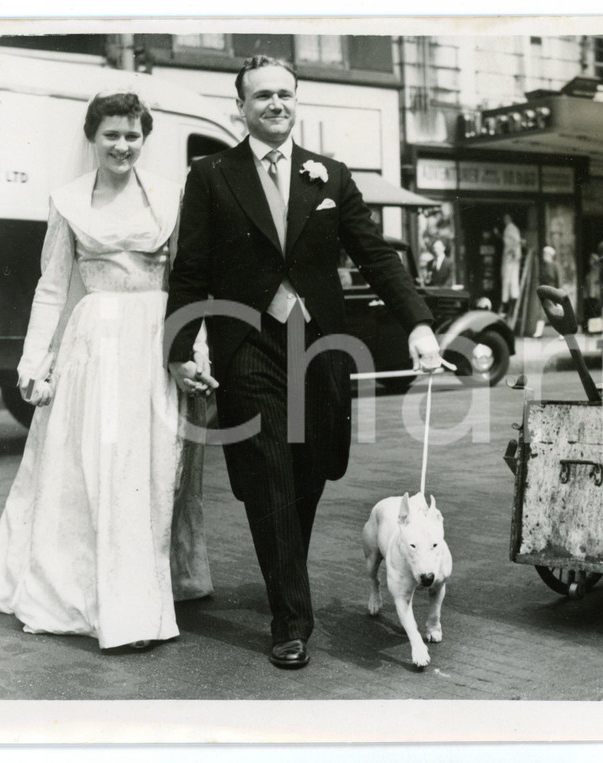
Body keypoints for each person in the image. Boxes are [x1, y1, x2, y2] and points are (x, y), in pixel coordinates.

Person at [164, 56, 443, 670]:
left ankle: (285, 574)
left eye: (285, 94)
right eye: (261, 95)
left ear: (297, 101)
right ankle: (291, 618)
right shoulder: (211, 175)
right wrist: (180, 349)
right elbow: (190, 269)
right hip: (248, 347)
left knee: (307, 473)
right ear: (240, 106)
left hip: (318, 352)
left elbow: (376, 257)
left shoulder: (331, 178)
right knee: (268, 476)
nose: (275, 104)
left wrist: (419, 323)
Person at [0, 91, 213, 650]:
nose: (122, 146)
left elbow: (188, 283)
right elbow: (51, 289)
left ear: (144, 140)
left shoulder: (171, 199)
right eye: (111, 135)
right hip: (93, 345)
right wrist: (34, 359)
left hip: (154, 341)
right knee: (96, 465)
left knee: (149, 468)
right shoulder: (68, 199)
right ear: (92, 138)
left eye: (132, 135)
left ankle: (144, 589)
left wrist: (195, 352)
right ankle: (100, 600)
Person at [500, 213, 522, 314]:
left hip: (511, 259)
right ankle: (509, 306)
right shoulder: (511, 229)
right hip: (511, 258)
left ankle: (509, 306)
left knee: (509, 281)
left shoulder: (511, 229)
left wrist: (512, 252)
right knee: (510, 281)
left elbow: (515, 242)